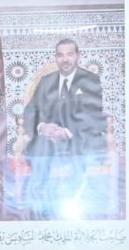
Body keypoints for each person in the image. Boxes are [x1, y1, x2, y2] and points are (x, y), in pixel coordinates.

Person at [21, 38, 107, 219]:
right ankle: (40, 211)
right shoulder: (46, 81)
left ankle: (73, 212)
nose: (65, 59)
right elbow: (30, 110)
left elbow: (92, 115)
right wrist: (42, 126)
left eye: (69, 54)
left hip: (78, 137)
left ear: (78, 56)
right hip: (48, 140)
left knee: (78, 160)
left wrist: (66, 132)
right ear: (56, 58)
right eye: (60, 55)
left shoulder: (91, 80)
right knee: (40, 153)